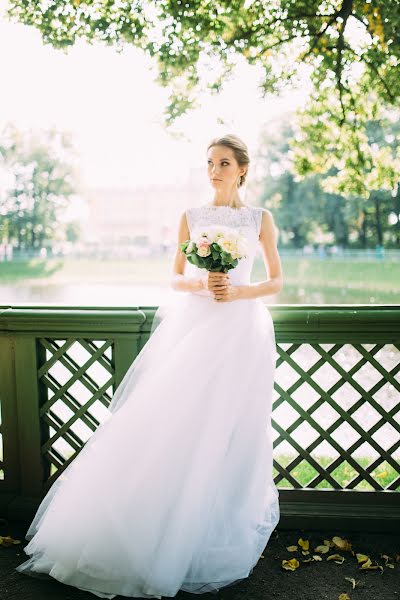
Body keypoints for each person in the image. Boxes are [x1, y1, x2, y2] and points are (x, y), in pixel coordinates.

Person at [15, 133, 283, 599]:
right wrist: (204, 285)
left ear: (242, 168)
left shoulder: (260, 218)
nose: (214, 170)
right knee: (171, 422)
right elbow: (175, 278)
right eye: (209, 163)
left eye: (223, 163)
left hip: (242, 332)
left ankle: (206, 536)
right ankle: (148, 531)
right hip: (196, 327)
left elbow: (276, 280)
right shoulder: (192, 217)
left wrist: (238, 291)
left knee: (231, 429)